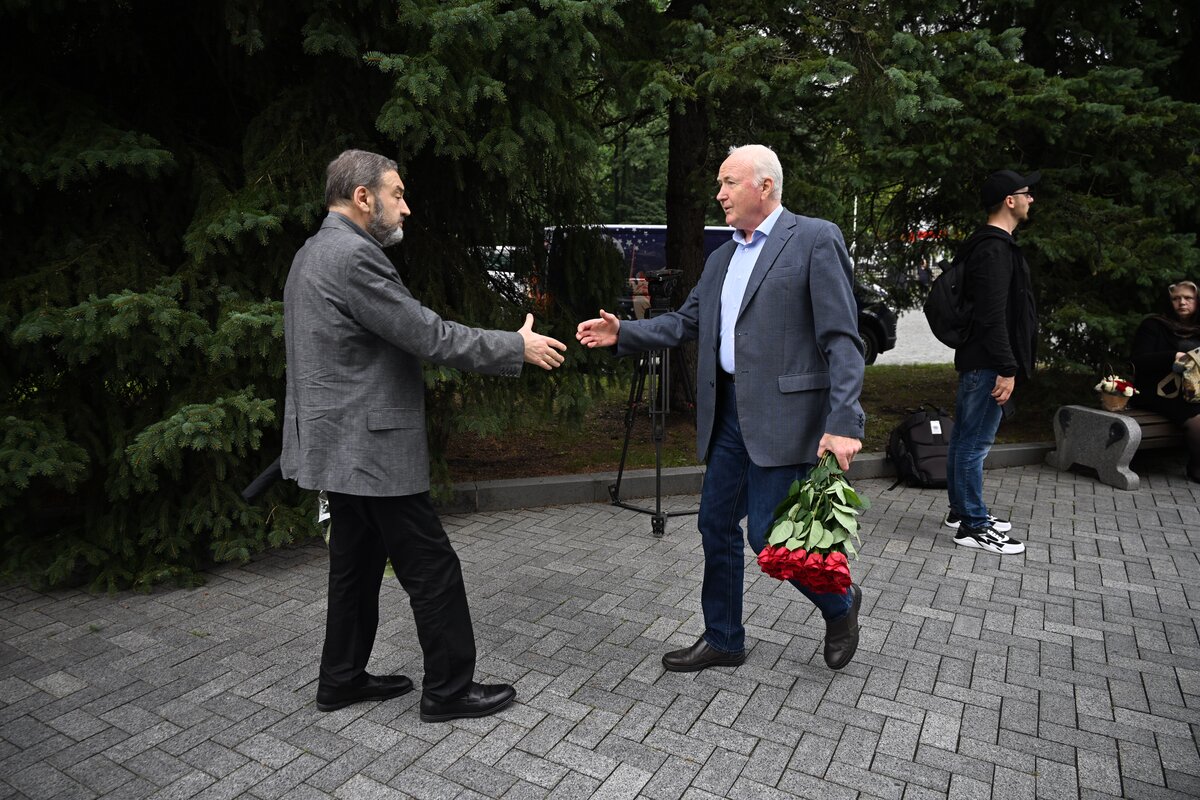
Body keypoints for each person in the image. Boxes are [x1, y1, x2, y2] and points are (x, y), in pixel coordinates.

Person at [282, 149, 567, 720]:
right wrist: (515, 346)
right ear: (363, 197)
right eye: (398, 194)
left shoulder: (312, 251)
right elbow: (428, 335)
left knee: (356, 570)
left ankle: (341, 680)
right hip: (371, 449)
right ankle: (449, 691)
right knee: (433, 569)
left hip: (339, 444)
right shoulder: (352, 257)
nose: (406, 207)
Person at [577, 144, 867, 672]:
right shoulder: (721, 258)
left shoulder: (814, 238)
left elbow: (842, 338)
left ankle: (841, 603)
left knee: (768, 536)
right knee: (714, 523)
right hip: (729, 414)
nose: (720, 194)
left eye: (729, 182)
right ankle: (724, 638)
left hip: (785, 417)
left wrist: (844, 421)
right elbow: (686, 322)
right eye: (719, 183)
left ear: (765, 186)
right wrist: (625, 333)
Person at [941, 170, 1039, 555]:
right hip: (988, 364)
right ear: (1009, 200)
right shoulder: (994, 250)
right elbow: (992, 316)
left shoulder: (987, 245)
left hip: (980, 361)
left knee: (964, 440)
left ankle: (960, 511)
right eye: (1026, 193)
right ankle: (974, 525)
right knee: (974, 445)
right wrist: (1007, 368)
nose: (1032, 199)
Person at [1130, 280, 1200, 482]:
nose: (1182, 302)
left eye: (1188, 298)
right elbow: (1138, 361)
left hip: (1194, 389)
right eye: (1176, 298)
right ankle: (1197, 469)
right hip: (1157, 390)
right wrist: (1174, 357)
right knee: (1197, 419)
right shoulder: (1154, 325)